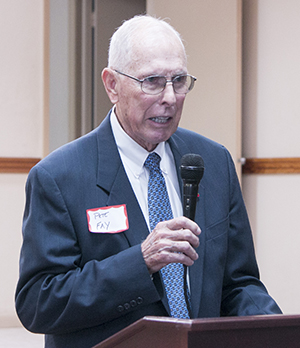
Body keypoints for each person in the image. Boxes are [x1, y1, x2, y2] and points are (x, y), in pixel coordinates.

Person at [15, 15, 281, 348]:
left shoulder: (213, 162)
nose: (170, 97)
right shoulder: (59, 177)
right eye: (152, 81)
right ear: (112, 85)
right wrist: (140, 261)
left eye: (179, 80)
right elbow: (38, 303)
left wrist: (274, 328)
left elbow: (239, 284)